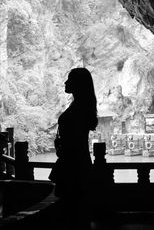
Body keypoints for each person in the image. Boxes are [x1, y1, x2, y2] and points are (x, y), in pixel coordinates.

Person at [49, 67, 98, 228]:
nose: (66, 82)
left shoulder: (77, 110)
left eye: (69, 79)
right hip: (80, 165)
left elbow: (74, 145)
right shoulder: (81, 107)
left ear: (77, 84)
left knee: (73, 215)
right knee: (78, 214)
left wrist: (62, 147)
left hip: (73, 168)